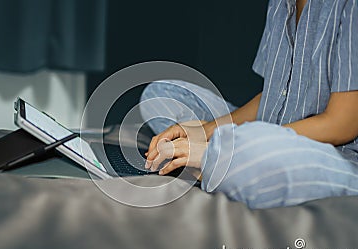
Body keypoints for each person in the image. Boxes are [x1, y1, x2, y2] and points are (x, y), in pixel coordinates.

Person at [139, 0, 358, 209]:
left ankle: (220, 159)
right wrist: (205, 131)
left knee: (253, 154)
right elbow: (274, 95)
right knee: (160, 96)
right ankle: (218, 160)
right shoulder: (280, 4)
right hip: (267, 129)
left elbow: (342, 124)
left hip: (334, 155)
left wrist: (241, 142)